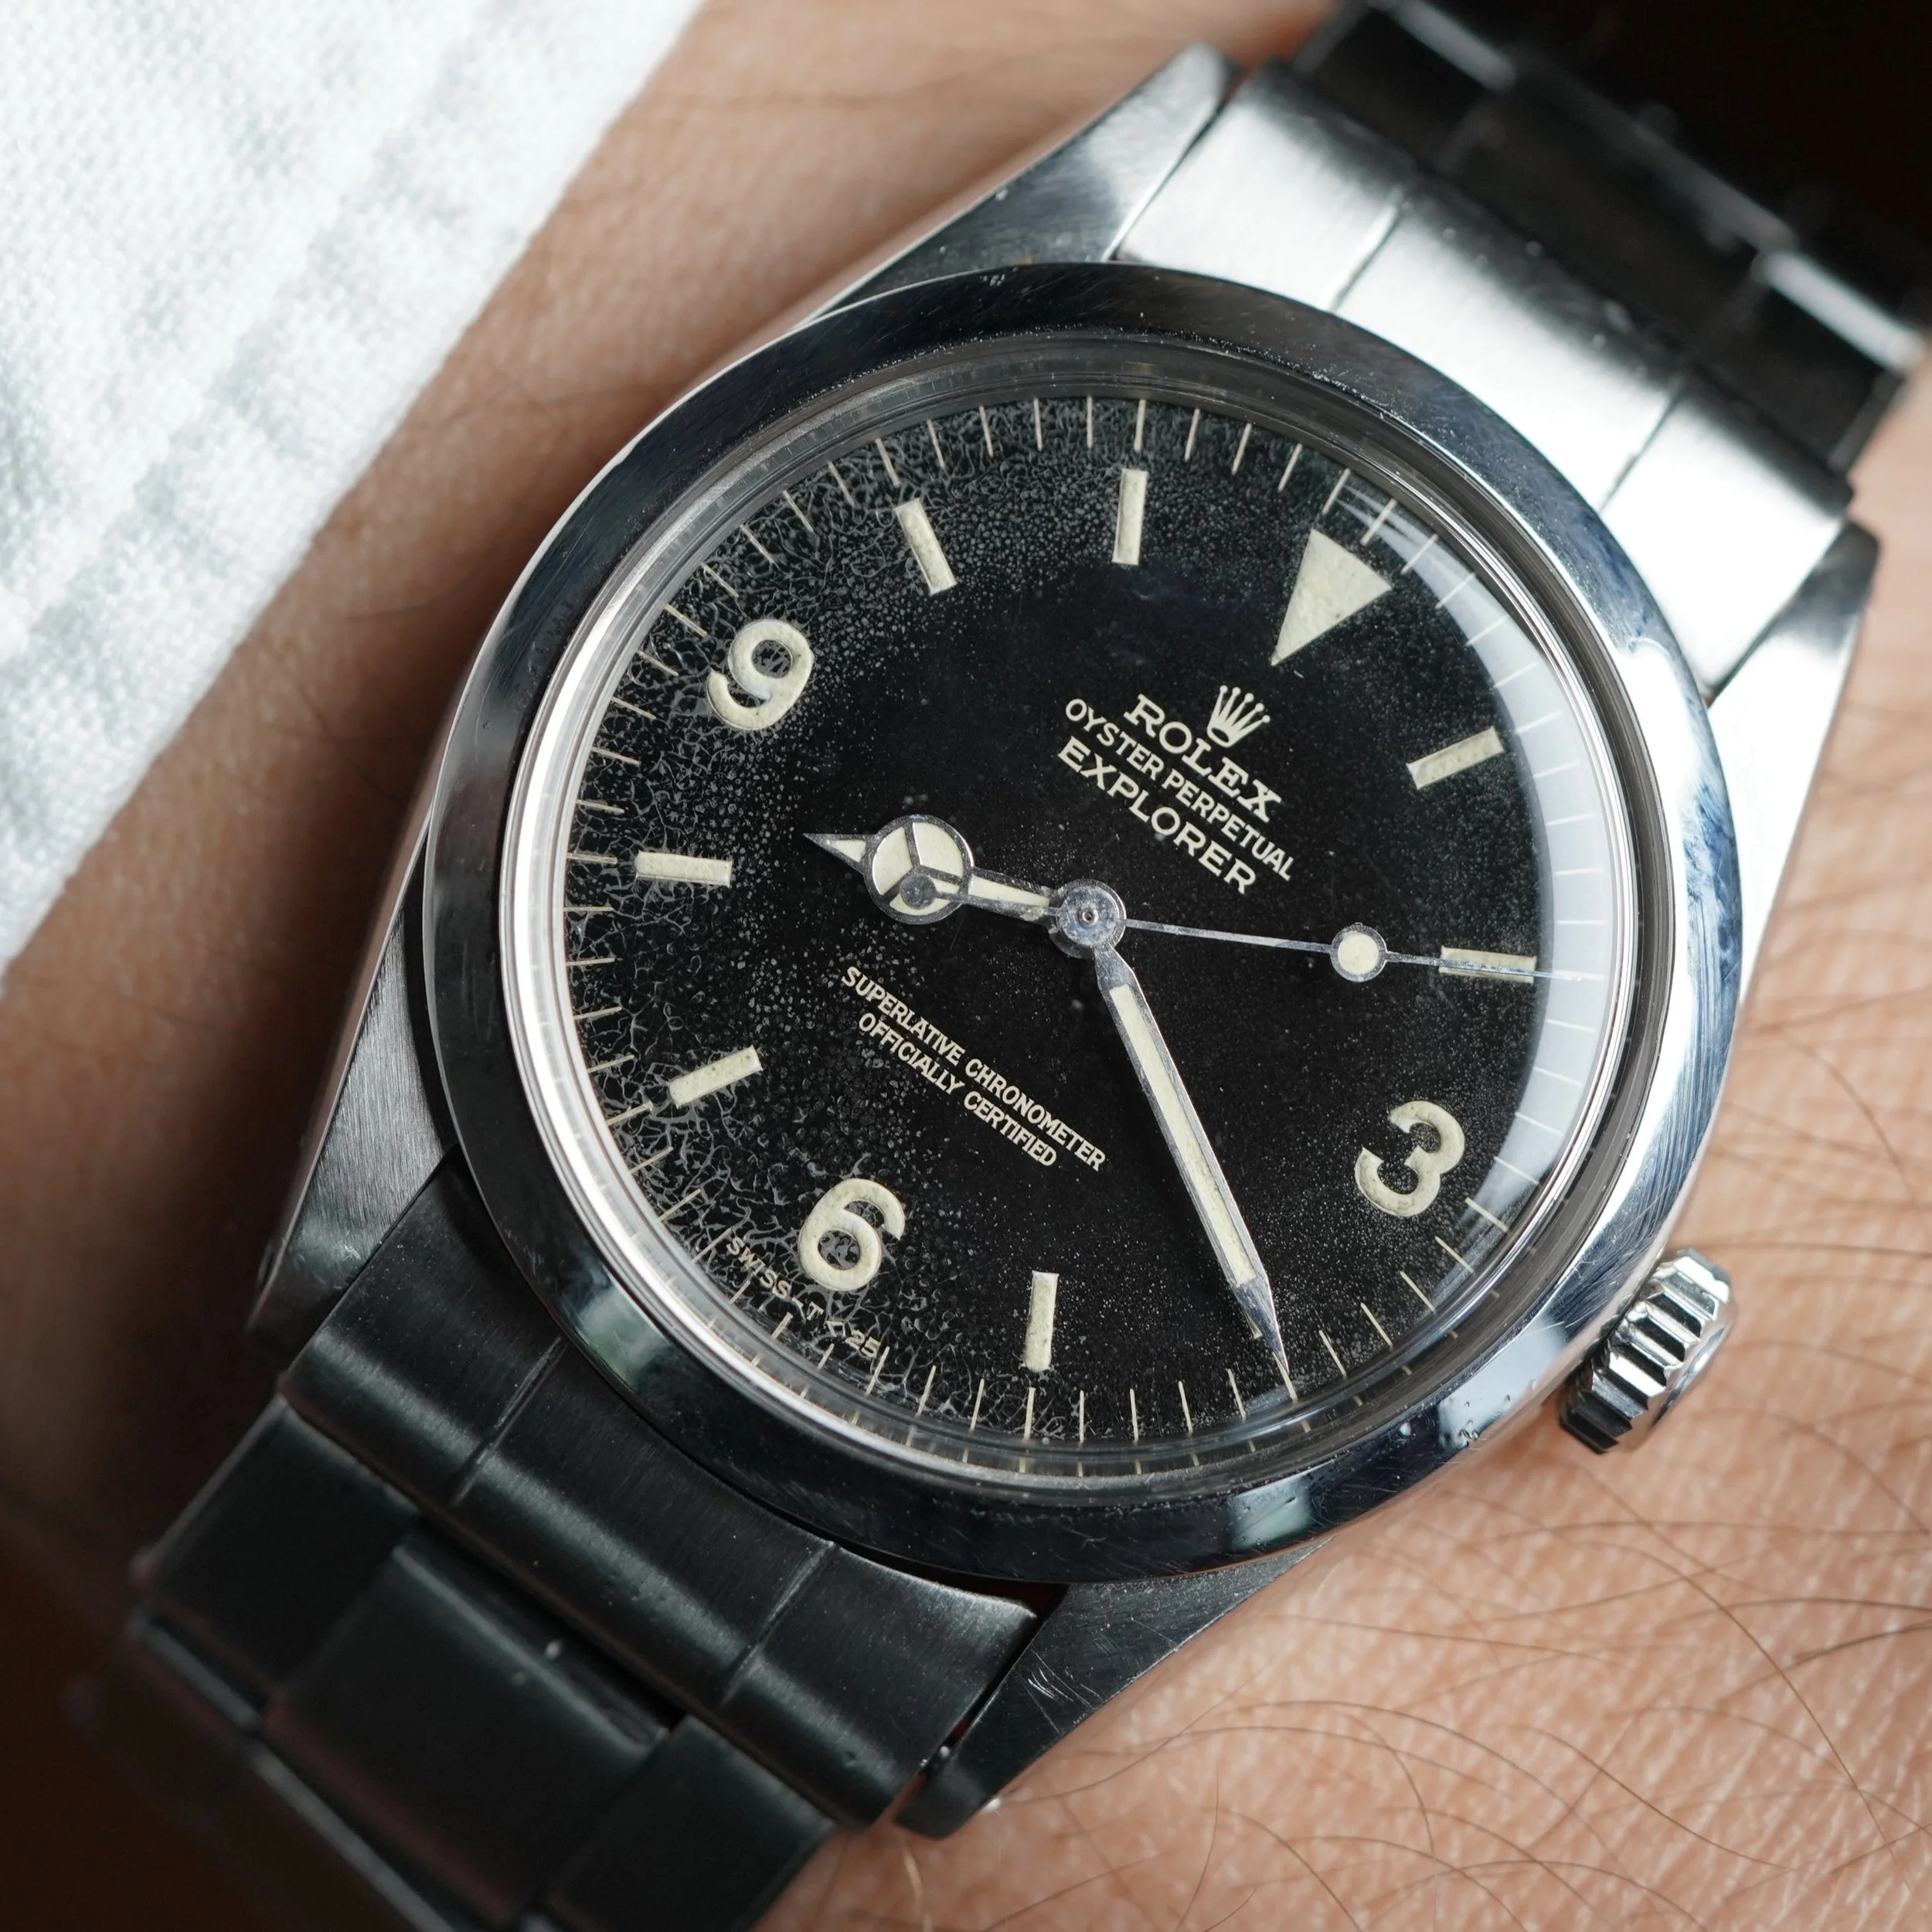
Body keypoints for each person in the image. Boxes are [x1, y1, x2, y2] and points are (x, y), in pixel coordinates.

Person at [2, 2, 1928, 1924]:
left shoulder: (1710, 664)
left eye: (1109, 921)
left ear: (1620, 1323)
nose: (1094, 916)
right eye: (1081, 907)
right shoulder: (1688, 599)